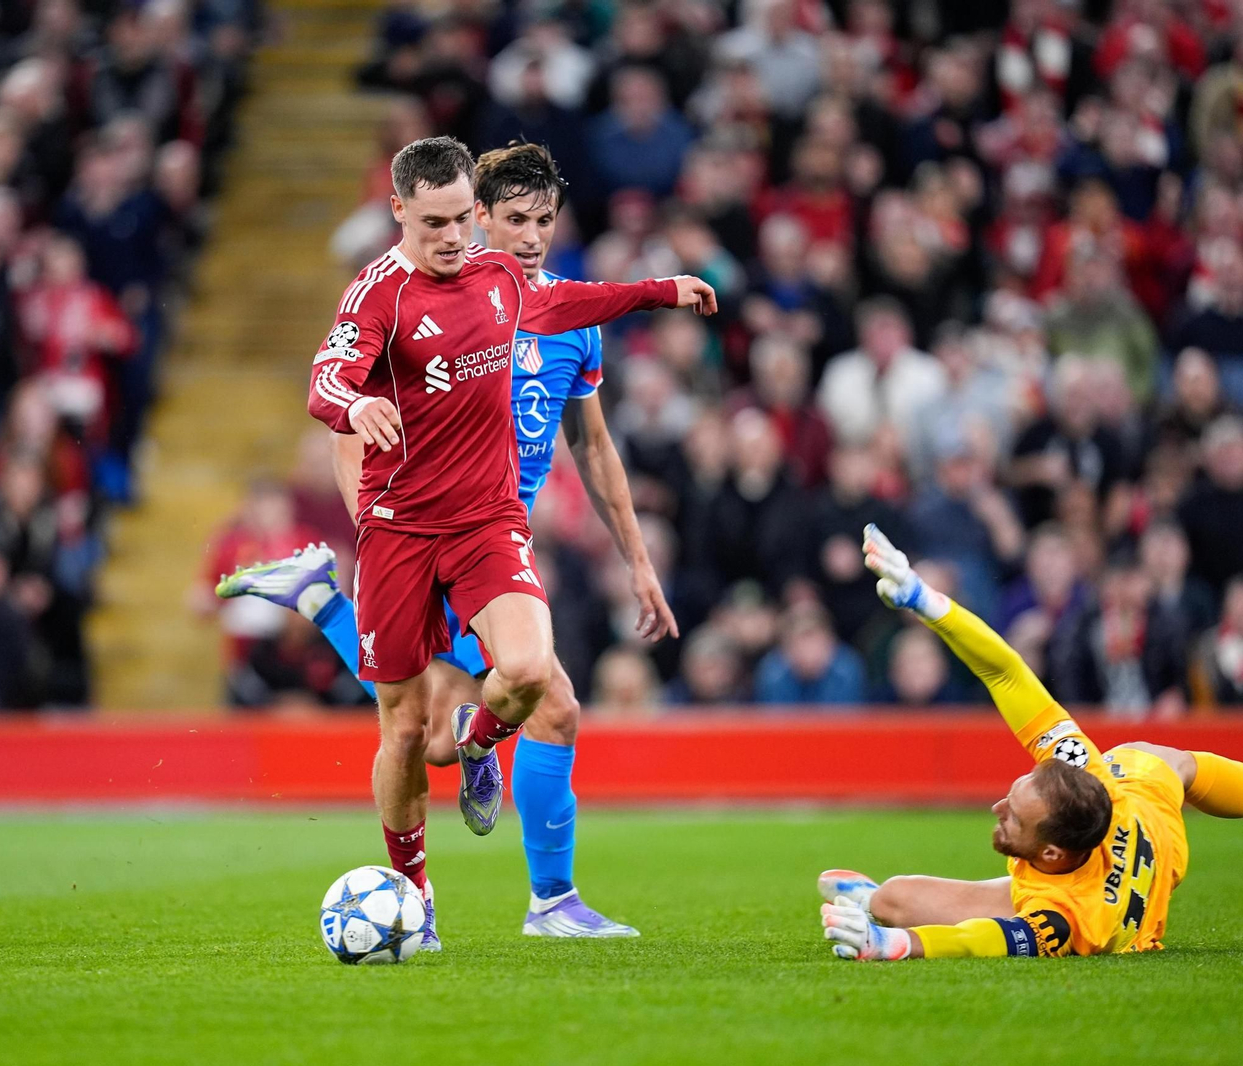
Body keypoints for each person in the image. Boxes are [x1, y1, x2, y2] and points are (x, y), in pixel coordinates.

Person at [222, 137, 714, 949]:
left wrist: (661, 292)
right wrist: (351, 411)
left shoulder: (499, 281)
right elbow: (326, 378)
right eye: (441, 223)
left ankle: (484, 760)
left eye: (463, 221)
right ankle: (418, 902)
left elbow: (568, 315)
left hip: (487, 523)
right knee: (407, 725)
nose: (456, 238)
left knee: (531, 678)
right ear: (401, 214)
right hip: (403, 527)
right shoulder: (377, 292)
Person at [817, 525, 1243, 961]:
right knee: (1159, 760)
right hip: (1145, 821)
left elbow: (981, 940)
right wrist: (923, 600)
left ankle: (878, 909)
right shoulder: (1093, 774)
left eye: (1016, 818)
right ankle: (874, 901)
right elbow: (1006, 672)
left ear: (1052, 852)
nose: (997, 807)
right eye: (1014, 795)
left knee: (898, 912)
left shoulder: (1067, 920)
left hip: (1116, 898)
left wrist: (893, 944)